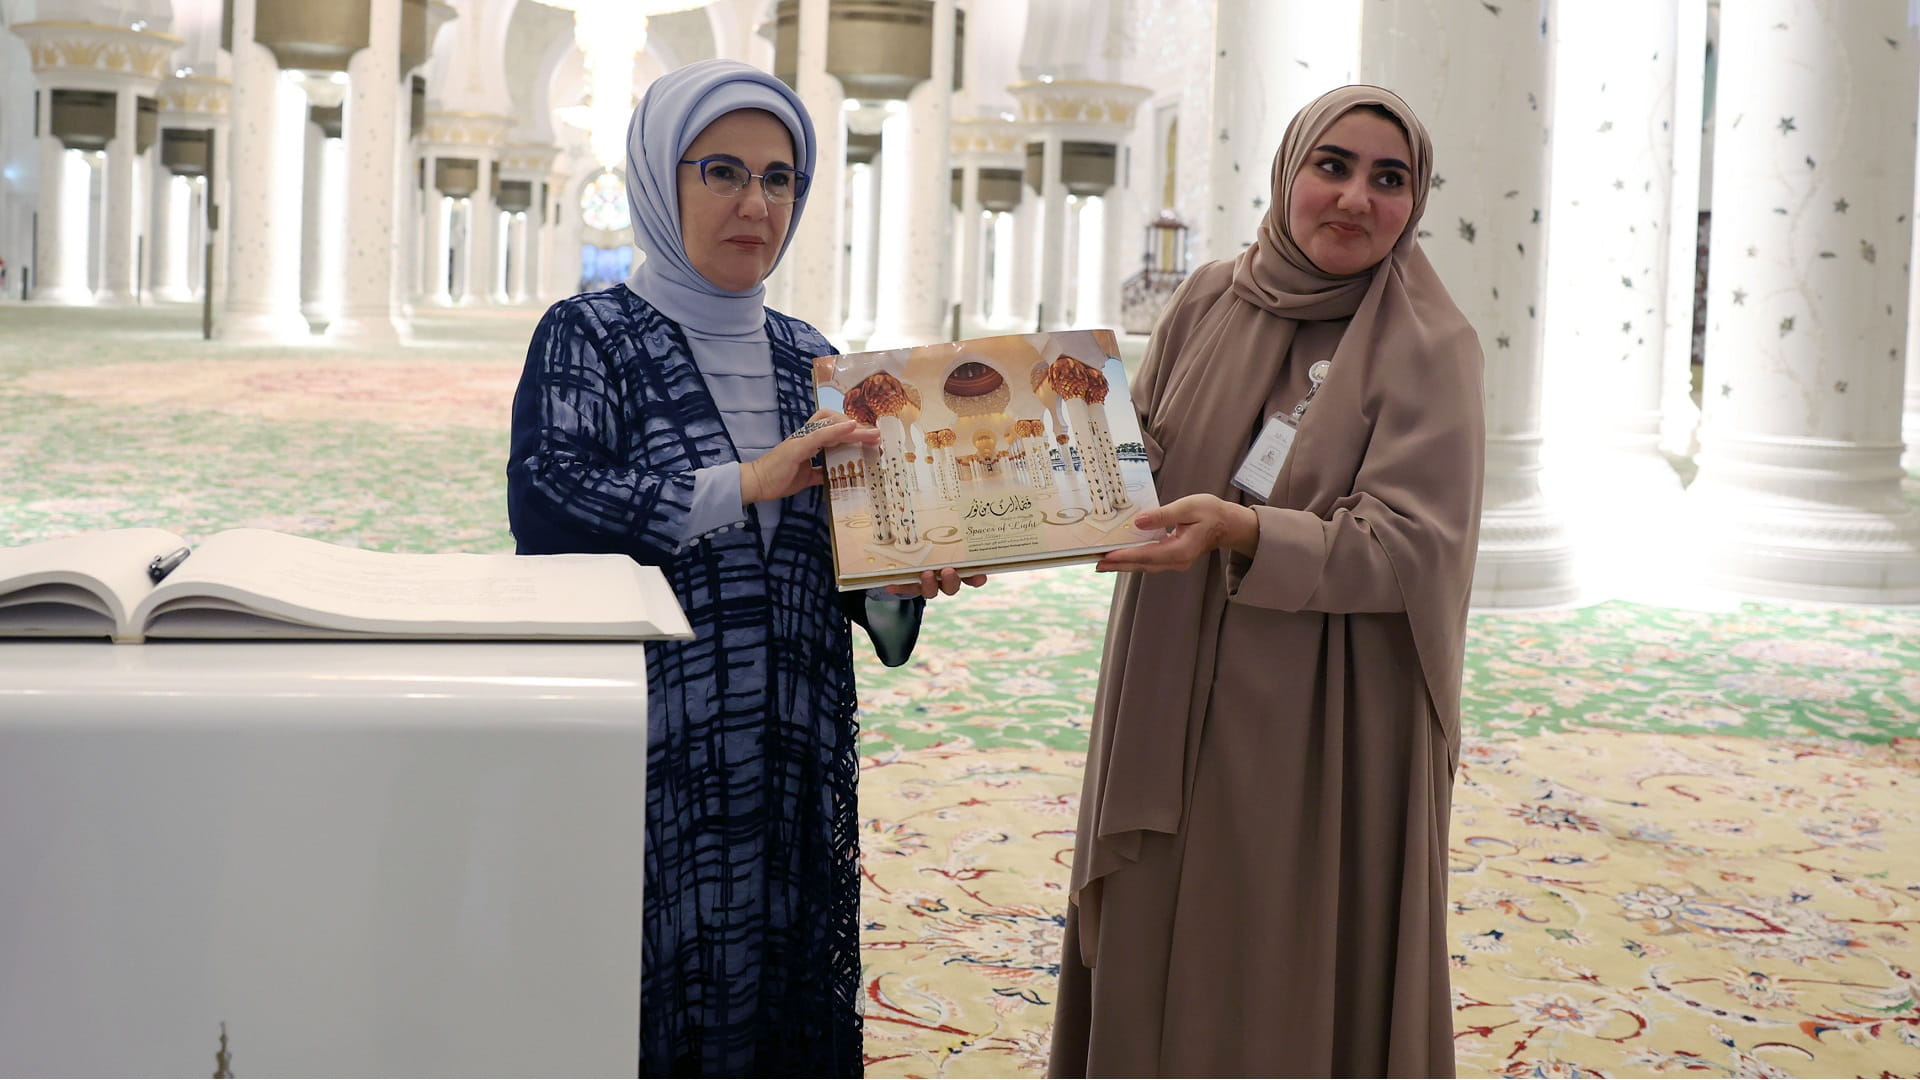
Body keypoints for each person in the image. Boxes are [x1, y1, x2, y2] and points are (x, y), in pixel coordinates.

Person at [505, 60, 978, 1077]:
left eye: (781, 180)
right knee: (651, 986)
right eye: (722, 171)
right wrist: (745, 481)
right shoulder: (589, 340)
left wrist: (907, 569)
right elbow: (551, 499)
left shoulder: (814, 361)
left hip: (790, 753)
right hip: (652, 756)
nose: (755, 204)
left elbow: (843, 569)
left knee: (781, 987)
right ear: (659, 180)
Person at [1048, 85, 1485, 1077]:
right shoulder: (1209, 298)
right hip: (1170, 665)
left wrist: (1243, 529)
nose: (1354, 200)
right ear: (1289, 172)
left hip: (1320, 714)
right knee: (1161, 914)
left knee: (1274, 941)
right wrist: (1037, 464)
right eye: (1332, 166)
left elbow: (1412, 546)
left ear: (1414, 202)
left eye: (1389, 179)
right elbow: (1142, 458)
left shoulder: (1429, 347)